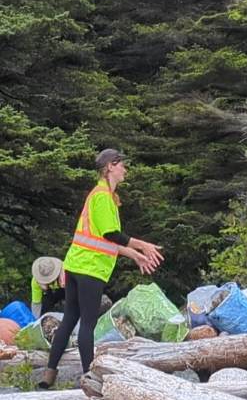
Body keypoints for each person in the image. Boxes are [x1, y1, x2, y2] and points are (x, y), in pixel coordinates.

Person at [38, 149, 164, 389]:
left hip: (76, 265)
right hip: (90, 269)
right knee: (87, 324)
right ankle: (90, 379)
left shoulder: (100, 196)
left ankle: (49, 375)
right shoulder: (103, 196)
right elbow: (111, 234)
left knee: (69, 320)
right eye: (122, 165)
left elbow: (106, 241)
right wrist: (141, 245)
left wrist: (136, 255)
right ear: (110, 167)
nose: (125, 169)